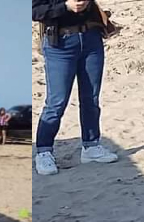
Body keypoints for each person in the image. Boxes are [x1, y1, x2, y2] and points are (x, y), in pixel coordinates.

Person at [33, 0, 119, 176]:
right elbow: (34, 11)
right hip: (60, 44)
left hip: (91, 39)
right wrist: (65, 6)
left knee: (91, 99)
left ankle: (91, 146)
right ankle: (43, 151)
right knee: (57, 102)